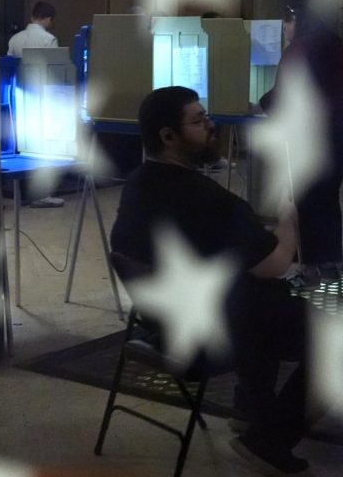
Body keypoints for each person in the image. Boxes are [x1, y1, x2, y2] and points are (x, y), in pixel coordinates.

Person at [110, 86, 315, 475]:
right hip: (207, 336)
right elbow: (272, 263)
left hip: (162, 323)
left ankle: (251, 409)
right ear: (168, 136)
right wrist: (289, 223)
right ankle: (267, 441)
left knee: (261, 300)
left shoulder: (138, 184)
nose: (211, 126)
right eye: (199, 120)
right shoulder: (207, 198)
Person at [260, 6, 343, 283]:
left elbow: (286, 94)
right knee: (327, 199)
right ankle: (328, 264)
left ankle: (310, 267)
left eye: (288, 22)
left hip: (311, 135)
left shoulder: (300, 48)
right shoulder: (333, 42)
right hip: (341, 130)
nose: (285, 28)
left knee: (307, 200)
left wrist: (263, 103)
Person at [7, 1, 65, 207]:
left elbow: (9, 68)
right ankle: (42, 194)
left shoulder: (15, 38)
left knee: (21, 147)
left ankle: (19, 191)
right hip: (41, 98)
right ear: (48, 19)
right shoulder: (49, 39)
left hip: (17, 97)